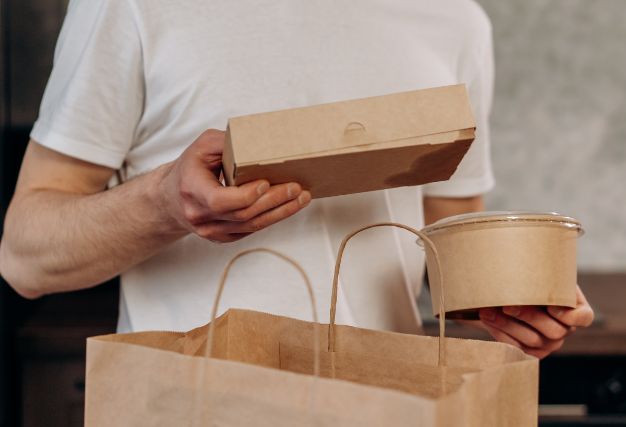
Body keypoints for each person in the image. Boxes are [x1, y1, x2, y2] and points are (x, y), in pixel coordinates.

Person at [0, 0, 592, 359]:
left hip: (393, 403)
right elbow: (24, 258)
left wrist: (513, 294)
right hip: (190, 404)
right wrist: (165, 203)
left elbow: (448, 237)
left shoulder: (456, 19)